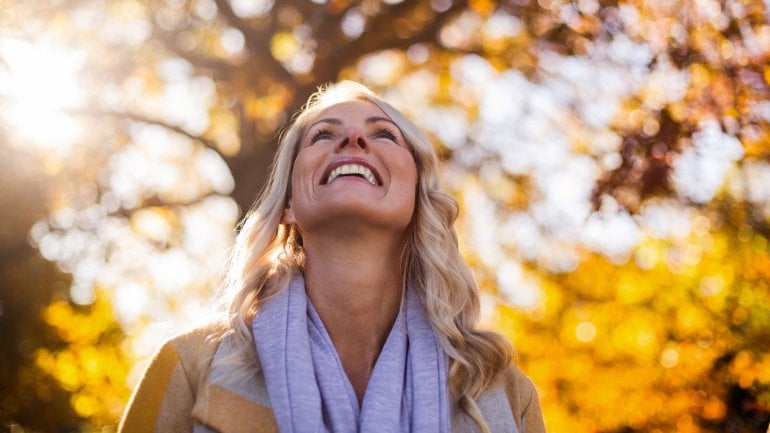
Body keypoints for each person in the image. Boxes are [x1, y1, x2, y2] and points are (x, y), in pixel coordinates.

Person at [118, 81, 545, 433]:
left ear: (419, 197)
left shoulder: (503, 393)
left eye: (383, 133)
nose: (353, 139)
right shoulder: (190, 368)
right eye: (323, 134)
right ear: (287, 204)